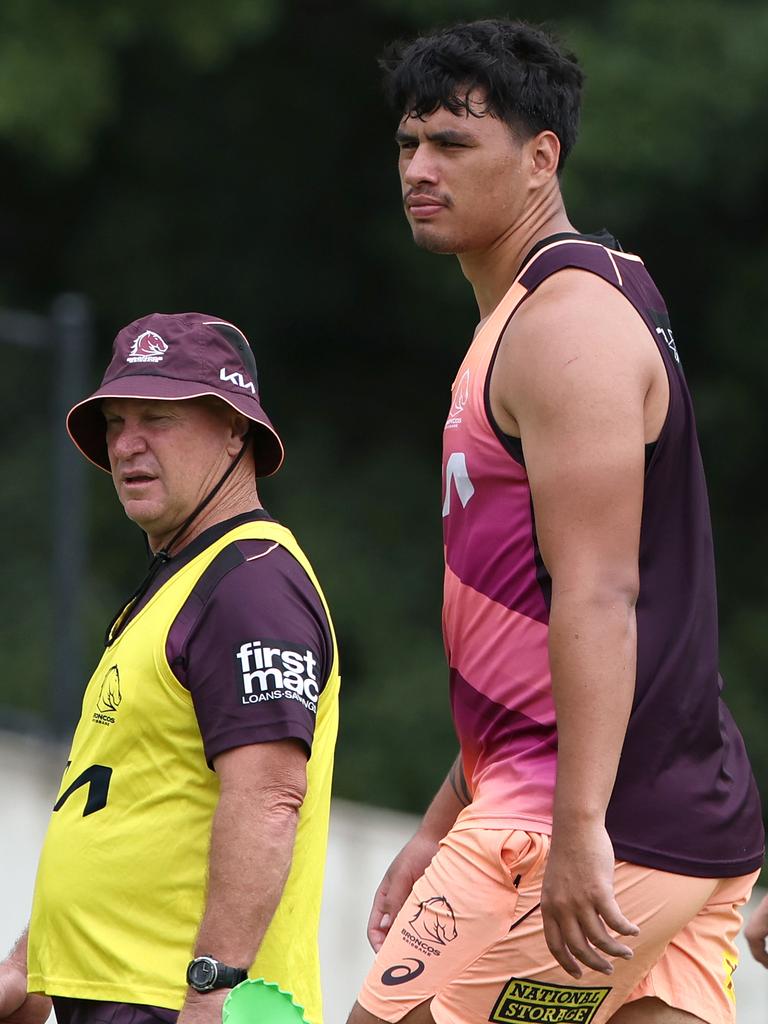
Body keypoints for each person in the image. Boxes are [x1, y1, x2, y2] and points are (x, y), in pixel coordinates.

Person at [349, 19, 764, 1024]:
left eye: (453, 143)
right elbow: (528, 650)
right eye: (409, 143)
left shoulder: (565, 324)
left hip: (583, 830)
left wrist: (581, 830)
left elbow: (600, 593)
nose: (420, 168)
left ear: (541, 157)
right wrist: (441, 820)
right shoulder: (547, 309)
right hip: (671, 828)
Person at [0, 312, 340, 1024]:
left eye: (158, 417)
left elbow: (269, 796)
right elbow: (129, 802)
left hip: (173, 1001)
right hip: (126, 996)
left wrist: (214, 986)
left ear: (235, 430)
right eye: (117, 422)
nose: (127, 444)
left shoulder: (251, 584)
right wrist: (29, 967)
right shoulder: (183, 584)